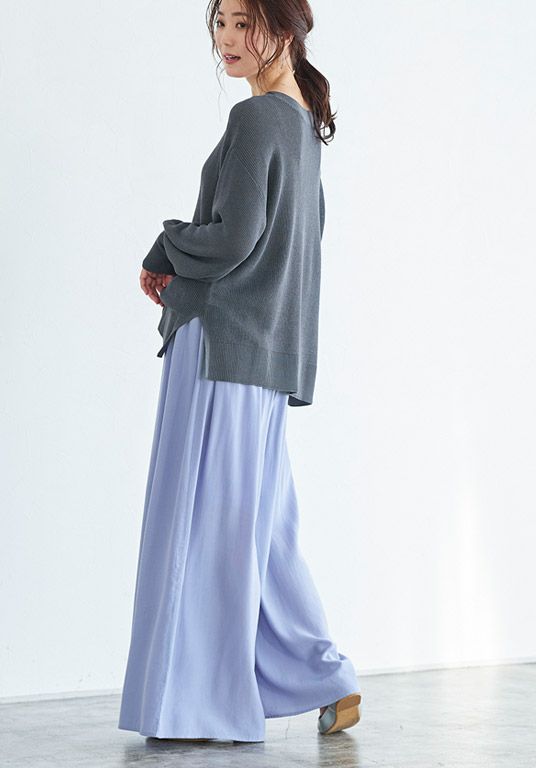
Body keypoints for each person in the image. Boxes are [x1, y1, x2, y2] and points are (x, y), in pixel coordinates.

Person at [117, 0, 362, 744]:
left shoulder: (257, 120)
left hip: (221, 348)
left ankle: (197, 704)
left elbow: (234, 240)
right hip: (263, 357)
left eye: (242, 23)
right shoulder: (302, 125)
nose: (227, 38)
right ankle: (327, 676)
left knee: (206, 526)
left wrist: (165, 247)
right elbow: (298, 250)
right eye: (219, 22)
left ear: (282, 31)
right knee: (259, 526)